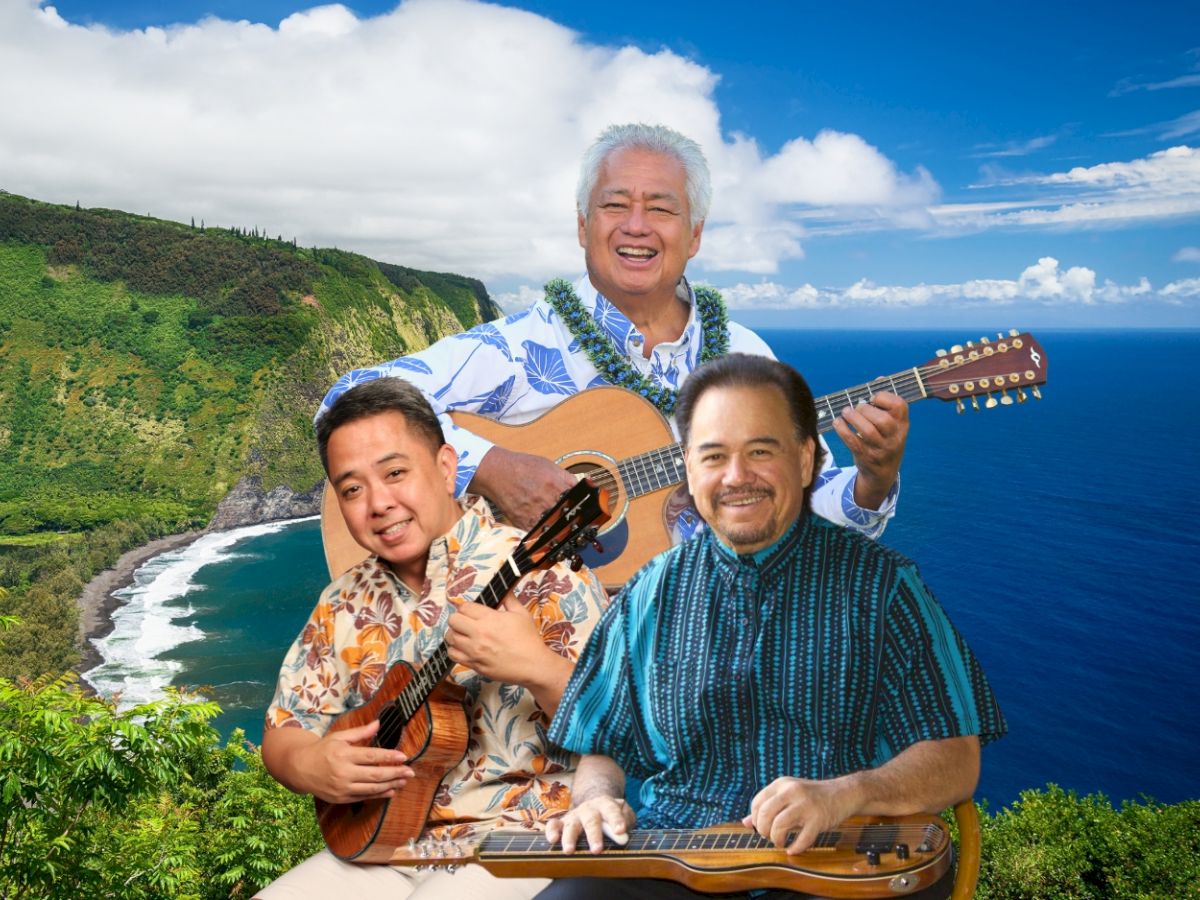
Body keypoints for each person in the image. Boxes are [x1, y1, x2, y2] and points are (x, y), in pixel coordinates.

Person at [540, 354, 1006, 900]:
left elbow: (956, 759)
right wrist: (595, 797)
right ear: (687, 469)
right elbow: (603, 742)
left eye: (761, 451)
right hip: (677, 863)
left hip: (833, 864)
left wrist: (844, 793)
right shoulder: (650, 593)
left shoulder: (884, 586)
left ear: (807, 459)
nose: (737, 478)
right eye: (713, 456)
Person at [316, 123, 908, 546]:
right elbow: (348, 399)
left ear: (694, 234)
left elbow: (810, 508)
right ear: (582, 225)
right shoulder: (523, 348)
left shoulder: (748, 359)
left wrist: (873, 479)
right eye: (615, 204)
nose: (636, 226)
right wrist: (492, 466)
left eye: (661, 208)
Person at [256, 378, 609, 900]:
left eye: (396, 473)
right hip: (382, 845)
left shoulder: (546, 572)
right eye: (352, 489)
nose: (378, 503)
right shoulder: (342, 602)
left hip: (522, 840)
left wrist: (537, 666)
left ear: (446, 468)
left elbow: (626, 734)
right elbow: (285, 730)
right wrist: (312, 765)